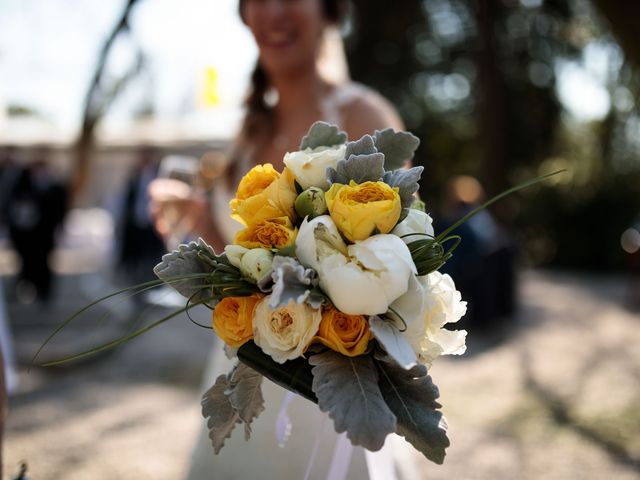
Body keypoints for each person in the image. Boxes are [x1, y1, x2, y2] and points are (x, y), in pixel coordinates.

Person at [151, 1, 409, 478]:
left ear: (329, 12)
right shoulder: (247, 133)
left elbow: (402, 262)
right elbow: (231, 270)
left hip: (331, 389)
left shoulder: (364, 115)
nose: (274, 11)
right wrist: (197, 222)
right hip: (240, 376)